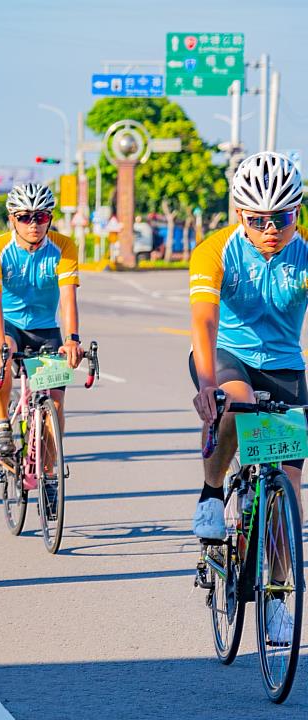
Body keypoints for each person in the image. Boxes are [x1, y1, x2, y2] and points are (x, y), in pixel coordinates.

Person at [190, 151, 307, 644]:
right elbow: (204, 318)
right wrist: (205, 384)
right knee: (235, 399)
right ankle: (213, 493)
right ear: (239, 214)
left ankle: (278, 596)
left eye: (279, 218)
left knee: (291, 491)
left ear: (296, 213)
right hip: (226, 355)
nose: (269, 229)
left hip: (284, 365)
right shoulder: (215, 250)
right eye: (257, 219)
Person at [0, 183, 84, 457]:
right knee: (1, 354)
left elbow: (68, 297)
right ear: (12, 218)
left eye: (41, 216)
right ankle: (2, 421)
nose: (33, 224)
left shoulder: (64, 247)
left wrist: (72, 338)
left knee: (56, 402)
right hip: (9, 322)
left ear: (50, 218)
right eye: (25, 217)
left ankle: (49, 476)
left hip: (45, 328)